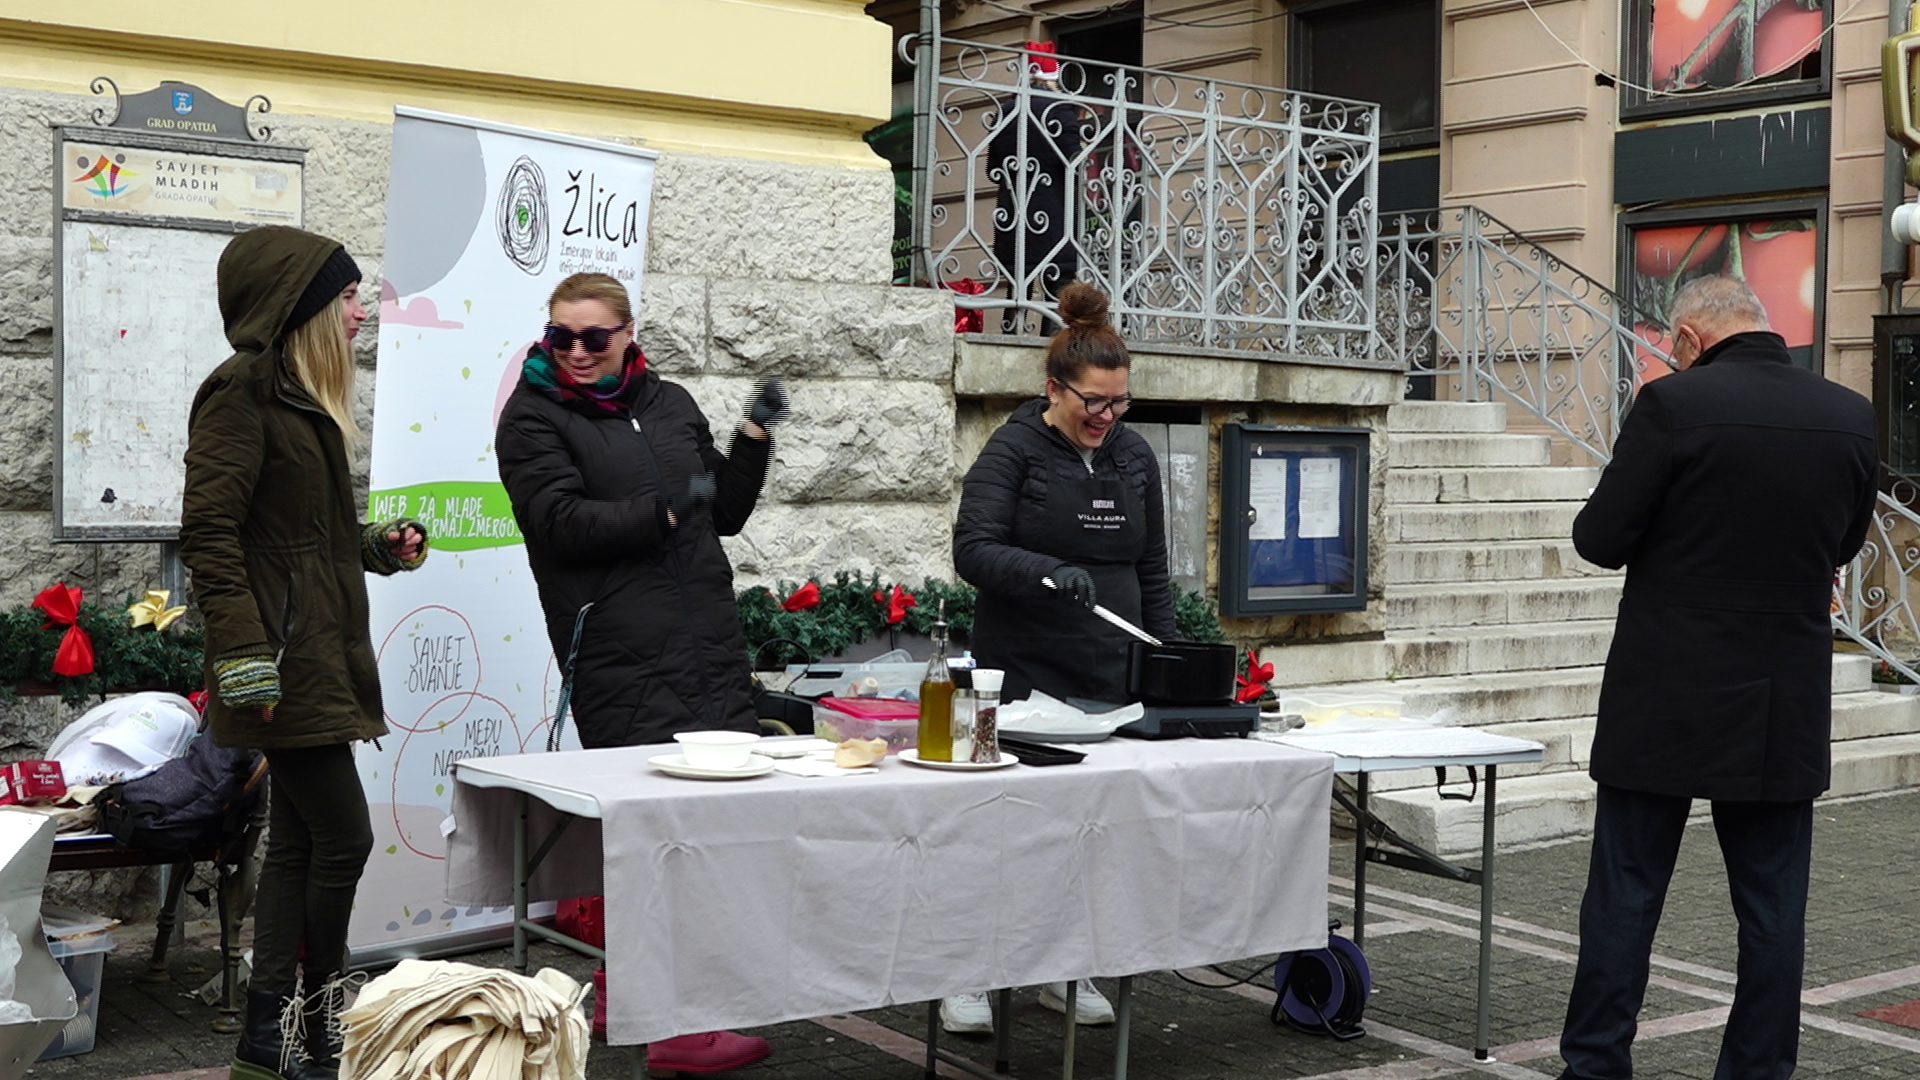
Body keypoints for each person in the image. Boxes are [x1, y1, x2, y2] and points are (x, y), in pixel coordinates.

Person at [1559, 275, 1877, 1080]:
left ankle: (1596, 1066)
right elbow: (1843, 544)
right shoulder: (1848, 414)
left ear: (1690, 338)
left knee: (1627, 893)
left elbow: (1600, 538)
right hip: (1780, 697)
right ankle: (1758, 1071)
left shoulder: (1673, 405)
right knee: (1772, 908)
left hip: (1664, 689)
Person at [495, 271, 787, 1074]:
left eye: (594, 337)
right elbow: (559, 524)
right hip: (619, 653)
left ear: (628, 334)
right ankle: (666, 1026)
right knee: (651, 838)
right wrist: (660, 513)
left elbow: (724, 510)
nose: (576, 351)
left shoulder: (669, 403)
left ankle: (658, 1002)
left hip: (707, 645)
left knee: (708, 834)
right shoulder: (531, 417)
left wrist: (752, 438)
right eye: (561, 337)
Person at [181, 226, 429, 1080]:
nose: (362, 311)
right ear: (305, 306)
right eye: (349, 296)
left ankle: (275, 1037)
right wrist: (244, 654)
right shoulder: (241, 394)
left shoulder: (302, 397)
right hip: (278, 666)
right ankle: (311, 1023)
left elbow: (296, 538)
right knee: (346, 838)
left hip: (312, 656)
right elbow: (209, 535)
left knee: (297, 842)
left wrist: (374, 546)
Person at [947, 281, 1177, 1033]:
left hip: (1108, 675)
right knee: (1003, 828)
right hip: (1022, 675)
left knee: (1091, 830)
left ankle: (1067, 966)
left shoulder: (1133, 457)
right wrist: (1045, 571)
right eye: (1093, 403)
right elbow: (973, 549)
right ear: (1054, 390)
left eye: (1120, 403)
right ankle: (968, 974)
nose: (1107, 418)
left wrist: (1167, 659)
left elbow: (1152, 569)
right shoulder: (1013, 449)